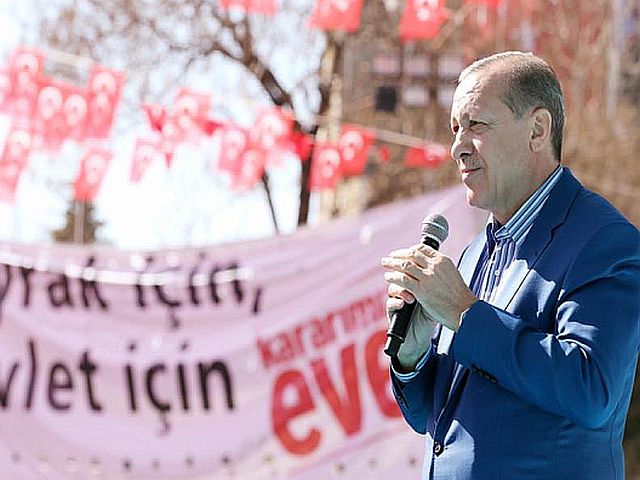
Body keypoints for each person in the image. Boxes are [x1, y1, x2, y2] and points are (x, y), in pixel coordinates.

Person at [381, 51, 640, 479]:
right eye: (455, 129)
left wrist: (463, 313)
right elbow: (439, 424)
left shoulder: (605, 240)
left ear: (537, 130)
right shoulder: (472, 254)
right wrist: (412, 357)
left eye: (476, 125)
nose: (458, 147)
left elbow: (591, 390)